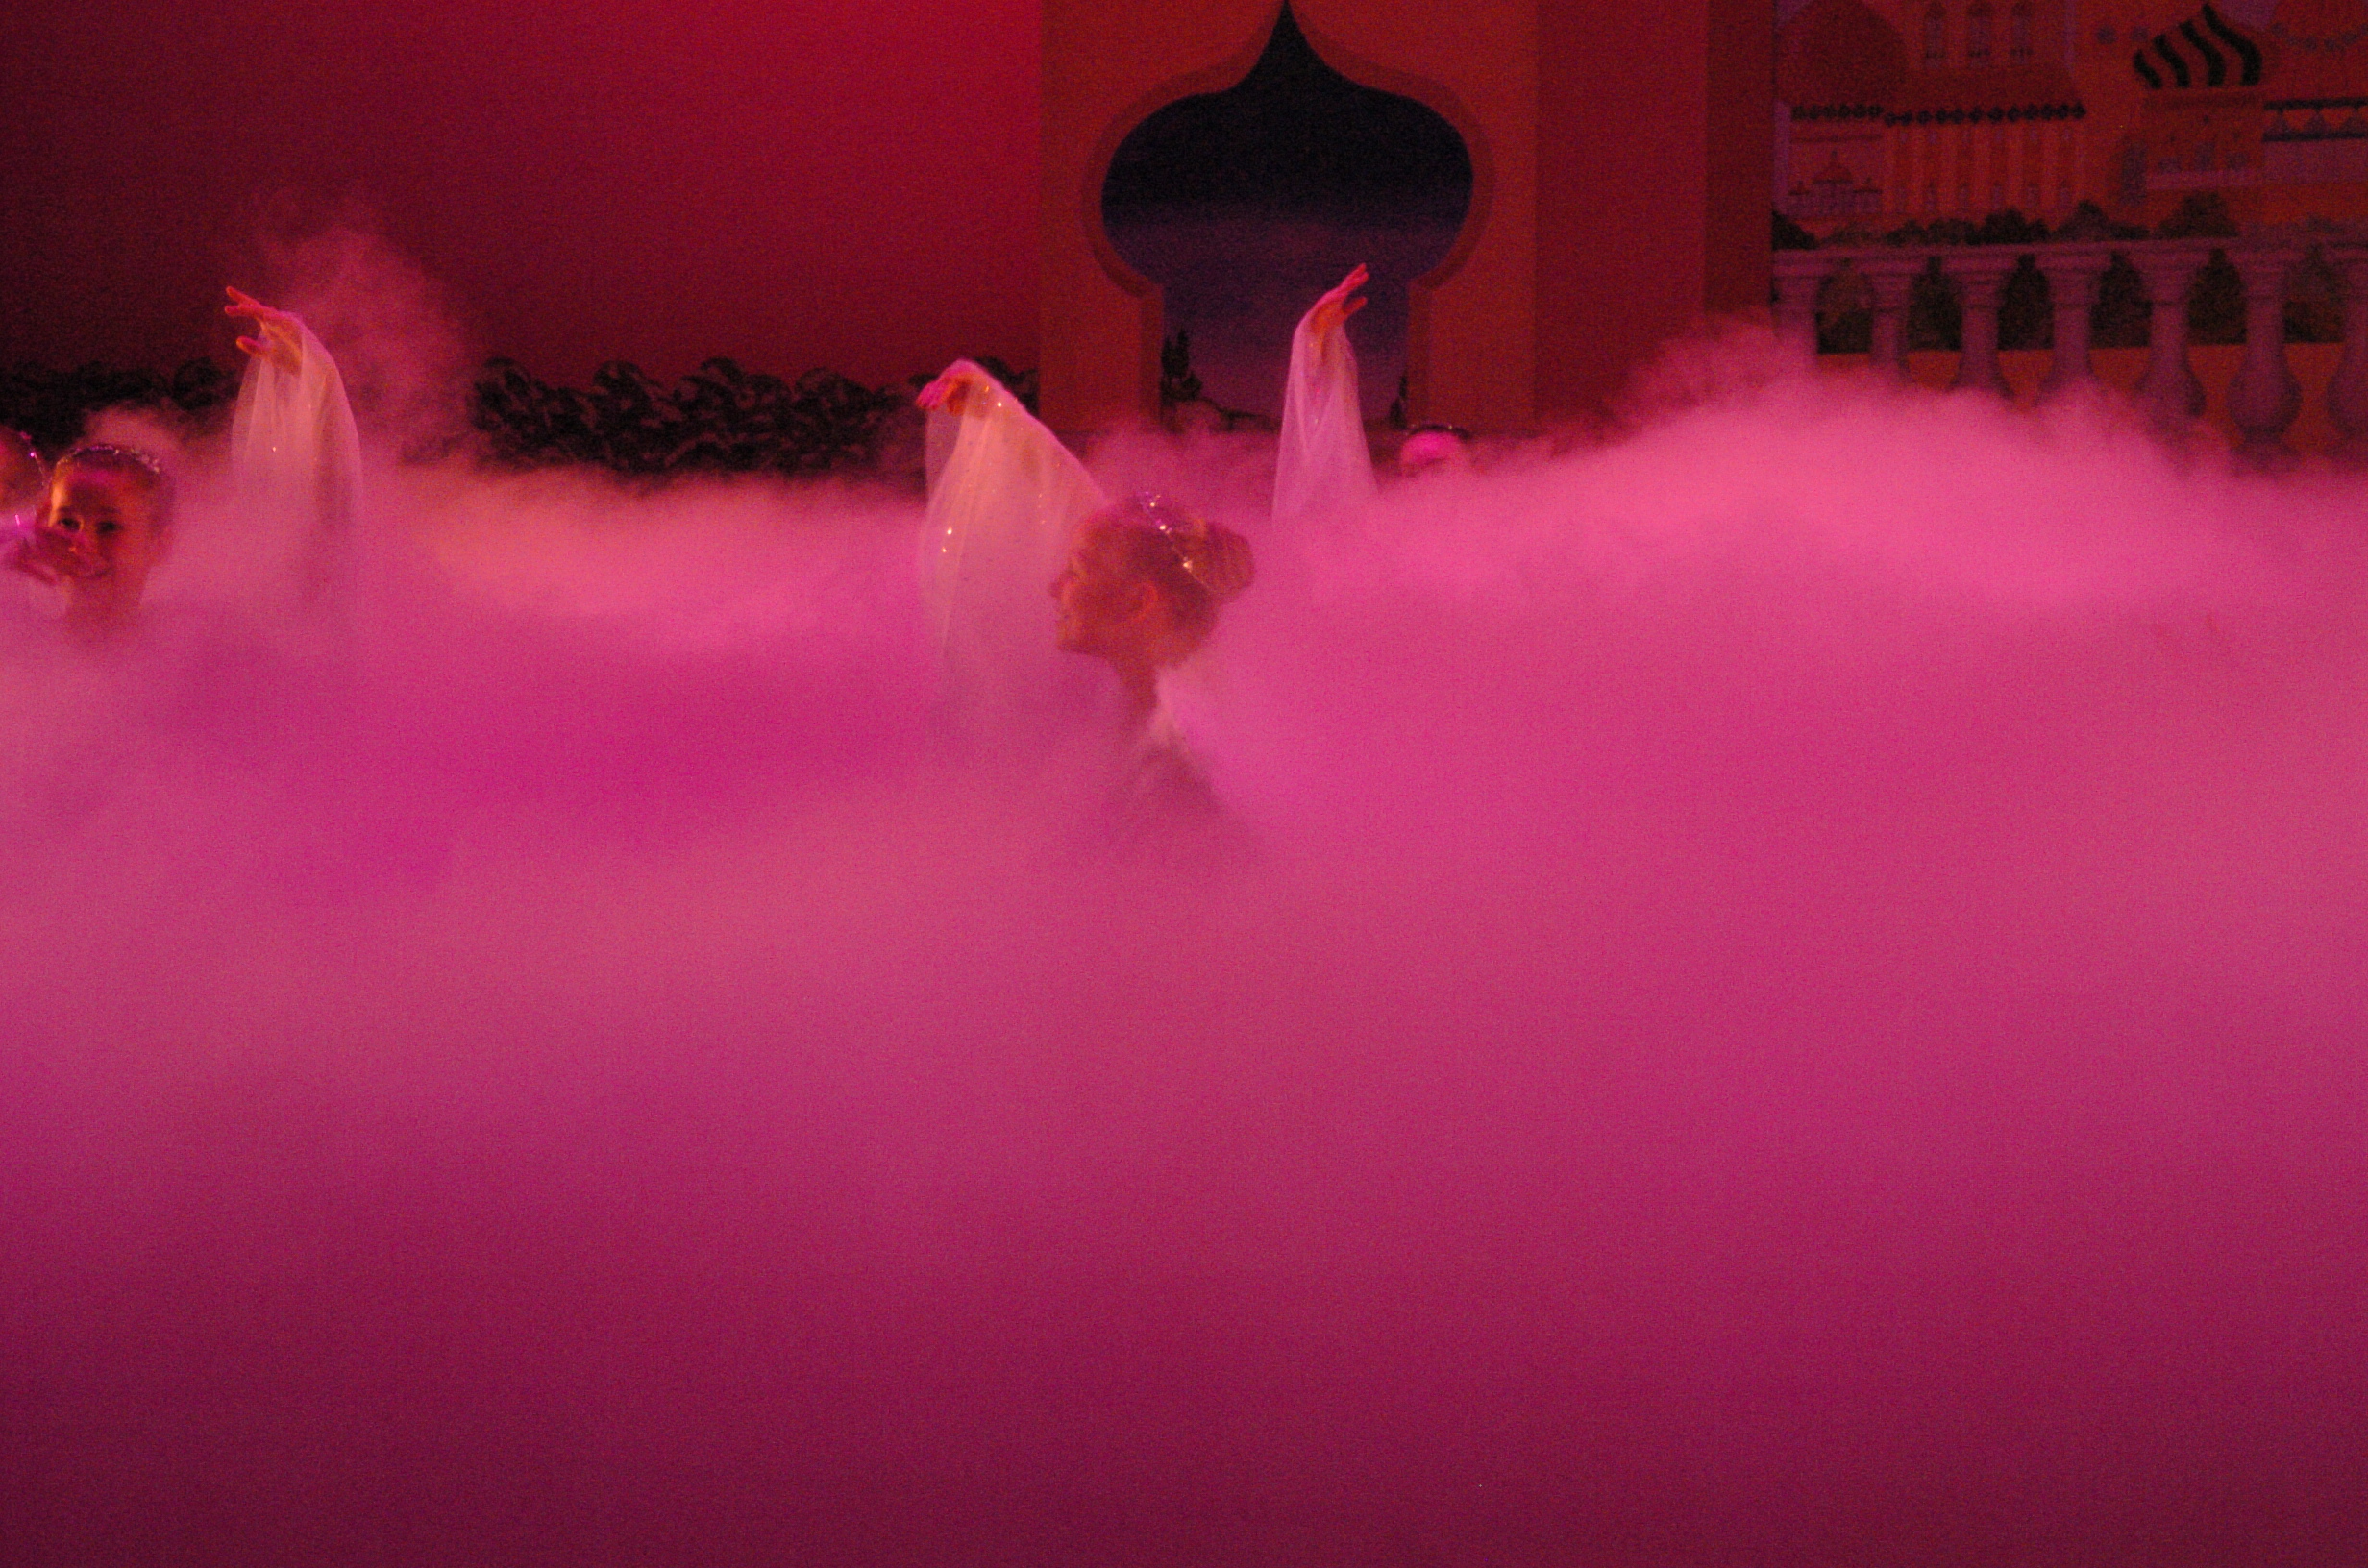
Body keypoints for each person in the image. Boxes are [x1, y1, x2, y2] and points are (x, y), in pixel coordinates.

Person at [7, 441, 176, 632]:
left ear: (159, 545)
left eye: (109, 527)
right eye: (67, 523)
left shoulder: (189, 644)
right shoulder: (14, 636)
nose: (80, 545)